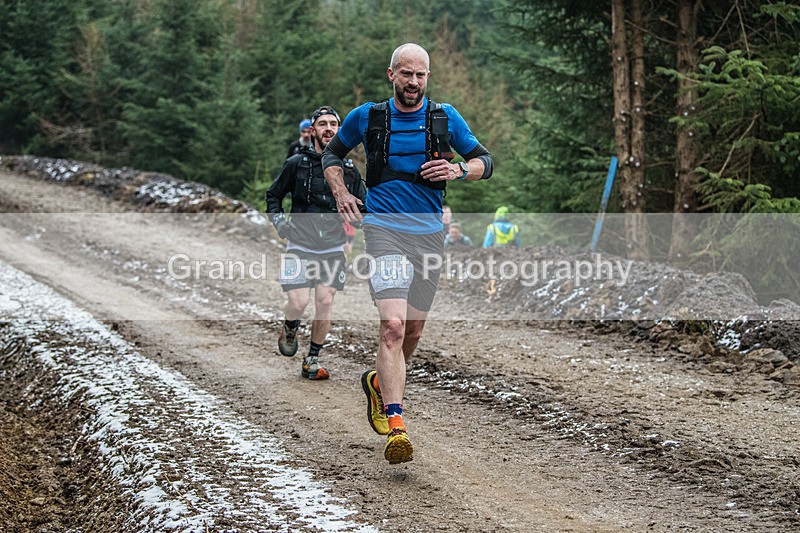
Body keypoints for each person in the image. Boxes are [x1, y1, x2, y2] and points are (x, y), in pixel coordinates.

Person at [322, 43, 493, 464]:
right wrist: (342, 191)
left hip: (429, 236)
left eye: (421, 75)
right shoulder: (369, 116)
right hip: (383, 231)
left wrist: (458, 169)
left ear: (427, 78)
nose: (413, 82)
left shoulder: (444, 117)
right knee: (394, 327)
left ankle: (380, 384)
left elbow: (484, 161)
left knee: (413, 332)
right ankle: (396, 424)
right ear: (391, 74)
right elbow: (331, 154)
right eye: (406, 74)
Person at [267, 106, 366, 380]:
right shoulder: (296, 163)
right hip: (299, 244)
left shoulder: (348, 170)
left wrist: (359, 221)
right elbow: (273, 196)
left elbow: (363, 207)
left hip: (332, 248)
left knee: (325, 300)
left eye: (334, 124)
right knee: (298, 304)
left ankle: (312, 359)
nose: (329, 128)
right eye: (323, 124)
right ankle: (290, 325)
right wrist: (279, 223)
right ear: (313, 130)